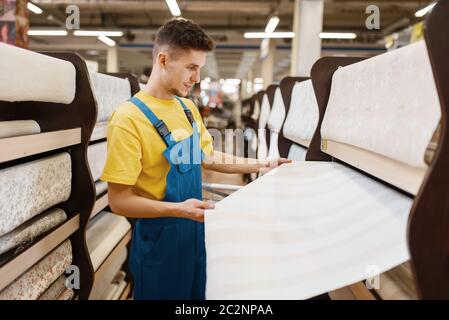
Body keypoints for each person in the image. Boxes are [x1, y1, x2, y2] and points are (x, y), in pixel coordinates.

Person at [100, 17, 290, 300]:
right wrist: (177, 210)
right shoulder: (128, 119)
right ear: (163, 60)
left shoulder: (187, 109)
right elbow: (118, 200)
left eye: (199, 68)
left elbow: (208, 156)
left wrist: (263, 164)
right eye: (191, 68)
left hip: (196, 237)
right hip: (159, 246)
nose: (197, 78)